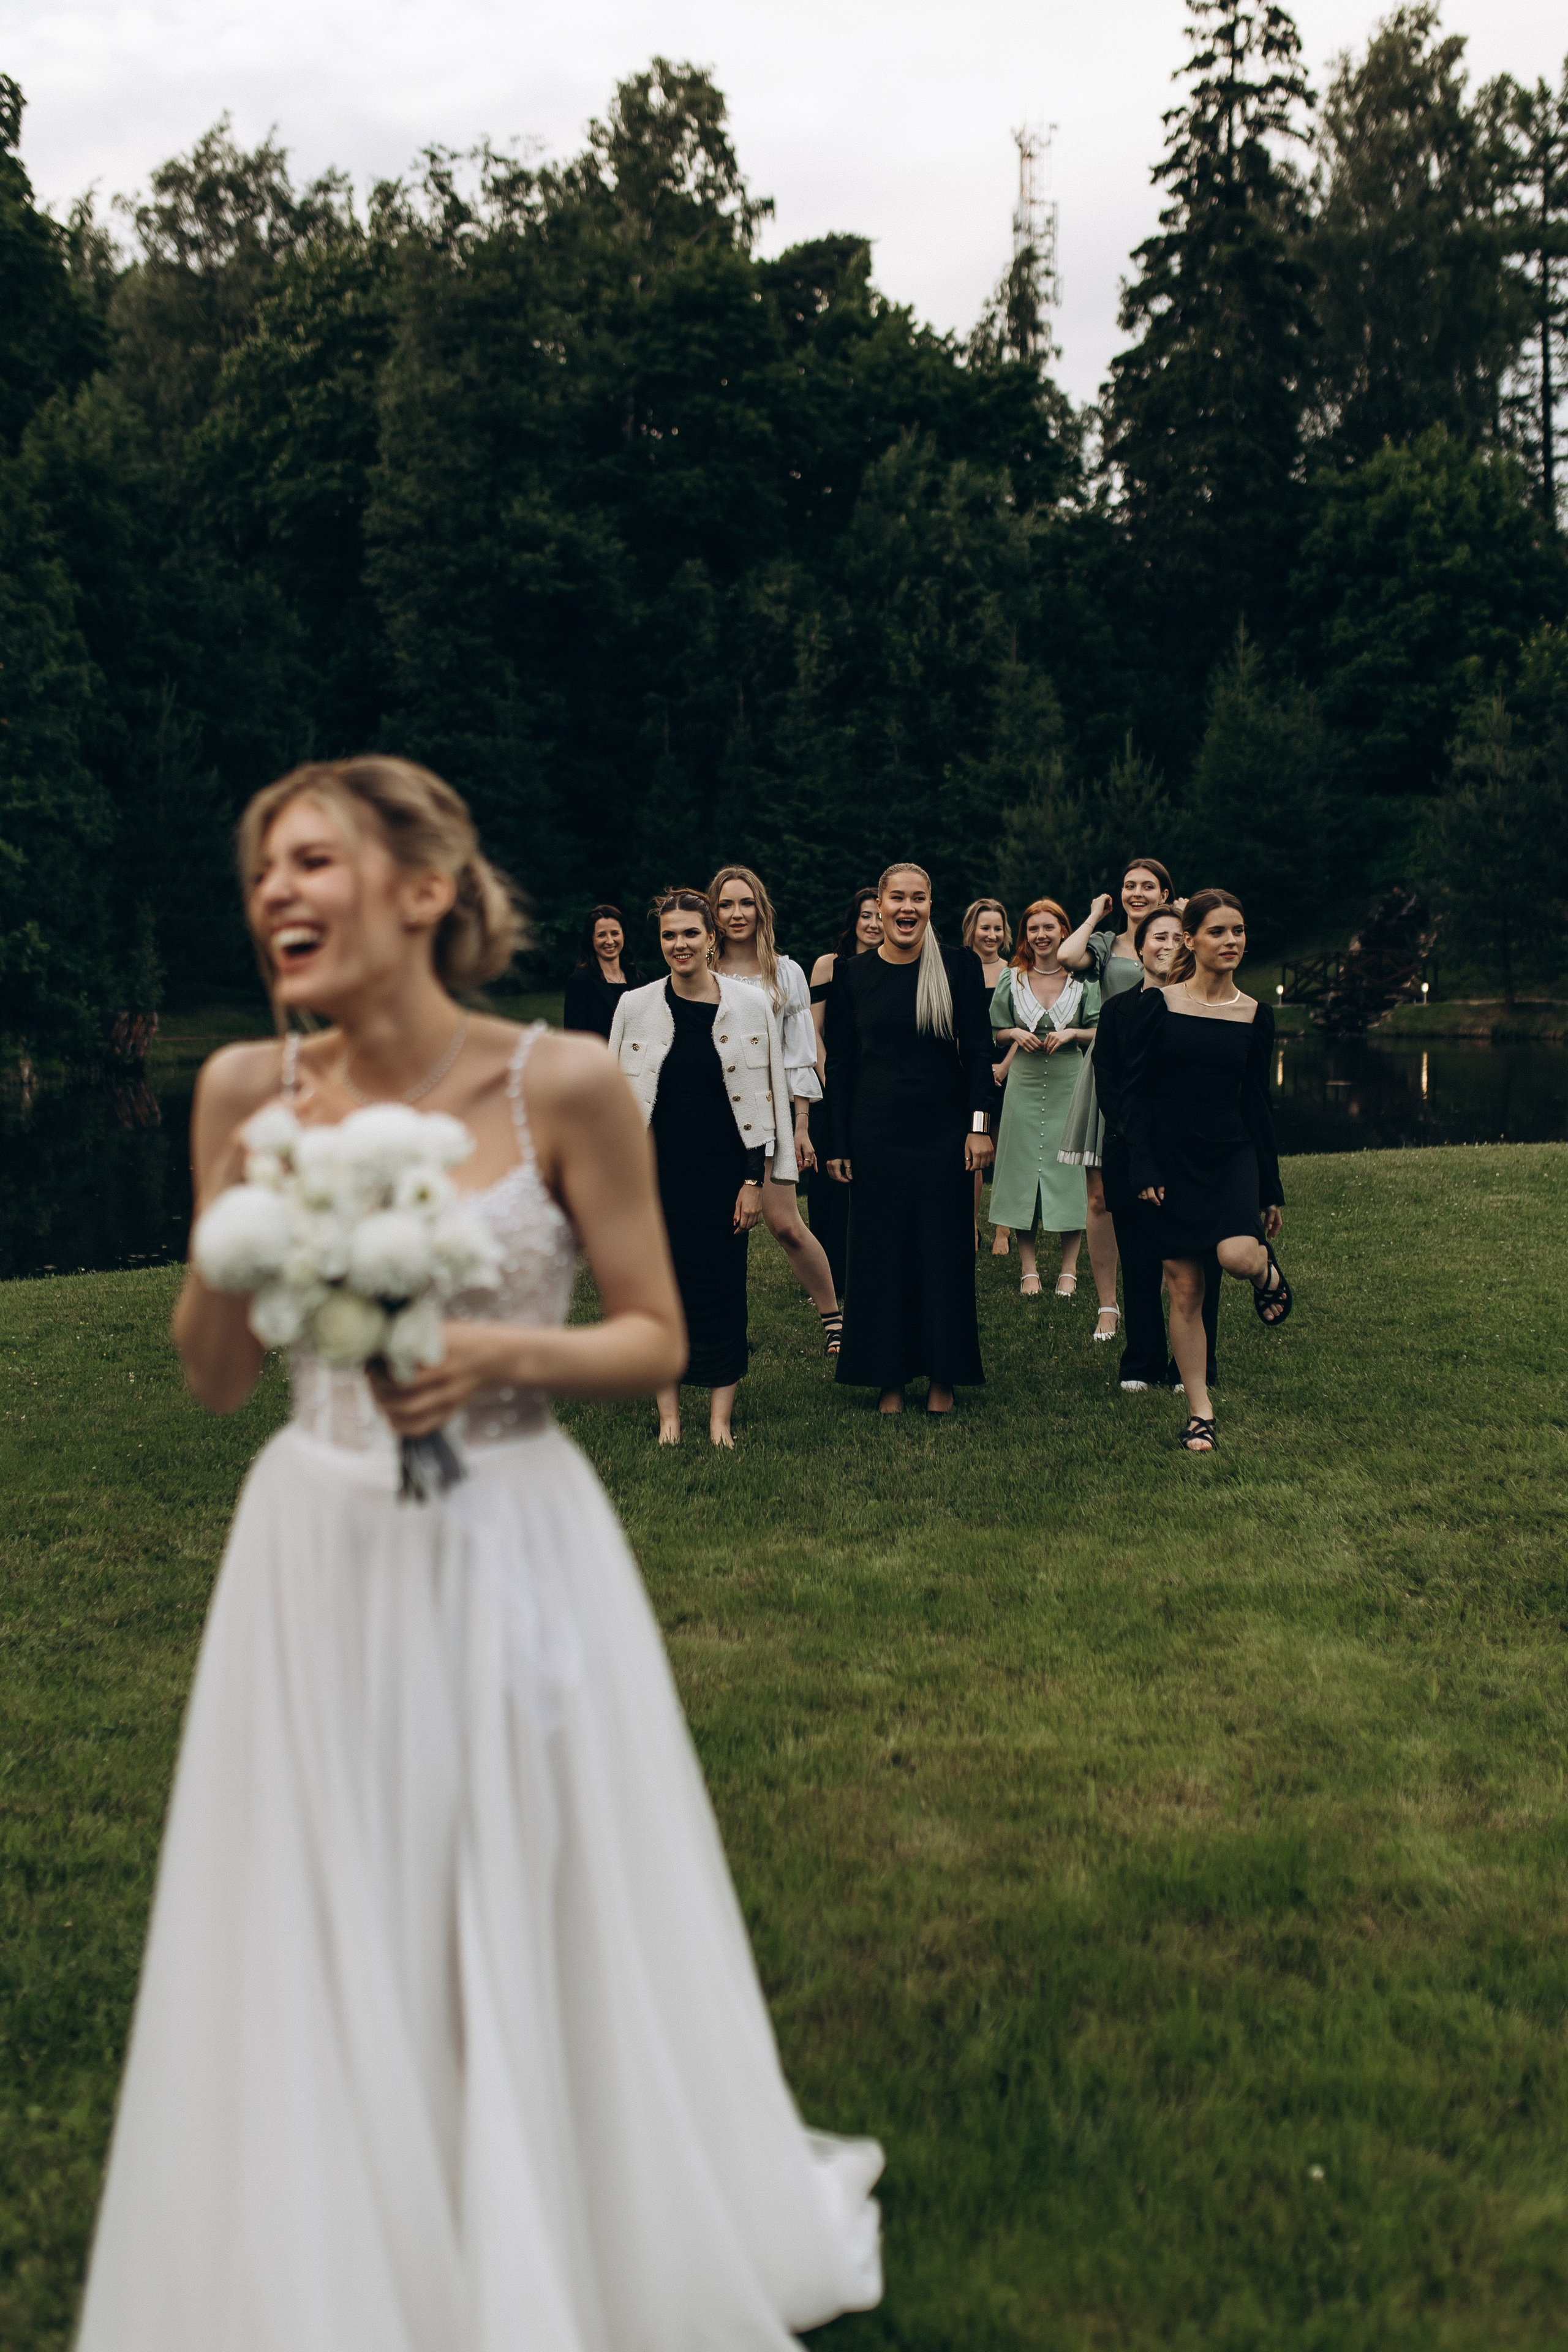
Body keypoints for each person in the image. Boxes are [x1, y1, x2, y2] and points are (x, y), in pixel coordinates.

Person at [77, 760, 883, 2350]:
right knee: (327, 1894)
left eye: (311, 862)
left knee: (511, 1873)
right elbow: (218, 1376)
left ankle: (544, 2227)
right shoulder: (244, 1088)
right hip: (312, 1545)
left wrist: (501, 1361)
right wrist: (232, 1220)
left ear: (426, 888)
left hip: (510, 1529)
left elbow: (655, 1339)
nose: (277, 898)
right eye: (262, 876)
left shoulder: (560, 1082)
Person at [611, 888, 796, 1447]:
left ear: (712, 938)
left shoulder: (749, 1005)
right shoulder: (634, 1006)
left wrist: (753, 1182)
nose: (680, 944)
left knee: (721, 1292)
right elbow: (615, 1103)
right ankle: (669, 1418)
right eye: (669, 935)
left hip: (724, 1178)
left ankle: (719, 1420)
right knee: (659, 1295)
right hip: (655, 1180)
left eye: (691, 933)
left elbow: (765, 1098)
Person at [1122, 888, 1294, 1453]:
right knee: (1185, 1286)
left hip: (1230, 1153)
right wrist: (1142, 1162)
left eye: (1238, 931)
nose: (1231, 941)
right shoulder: (1160, 1006)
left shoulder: (1255, 1015)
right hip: (1170, 1158)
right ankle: (1200, 1408)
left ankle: (1267, 1274)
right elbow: (1135, 1095)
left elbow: (1256, 1104)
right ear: (1190, 940)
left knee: (1236, 1255)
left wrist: (1270, 1187)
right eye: (1218, 932)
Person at [826, 863, 995, 1414]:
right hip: (876, 1135)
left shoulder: (960, 967)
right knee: (879, 1257)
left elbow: (978, 1056)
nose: (907, 909)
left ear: (929, 905)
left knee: (942, 1254)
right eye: (896, 899)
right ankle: (889, 1379)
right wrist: (839, 1143)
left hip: (944, 1136)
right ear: (877, 904)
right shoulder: (853, 974)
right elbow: (844, 1066)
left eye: (917, 899)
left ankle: (944, 1379)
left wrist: (978, 1129)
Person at [708, 864, 844, 1354]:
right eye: (726, 905)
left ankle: (834, 1319)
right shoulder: (700, 970)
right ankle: (720, 1331)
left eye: (745, 903)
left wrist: (802, 1124)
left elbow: (800, 1054)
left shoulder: (784, 972)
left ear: (760, 909)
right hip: (711, 1114)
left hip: (769, 1116)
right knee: (716, 1226)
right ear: (713, 912)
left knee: (784, 1223)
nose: (736, 913)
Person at [1091, 905, 1221, 1394]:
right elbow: (1111, 1087)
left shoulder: (1204, 1004)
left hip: (1192, 1153)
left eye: (1175, 937)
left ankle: (1199, 1365)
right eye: (1156, 937)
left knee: (1200, 1263)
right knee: (1141, 1261)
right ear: (1140, 949)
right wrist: (1136, 1142)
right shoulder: (1117, 1011)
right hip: (1130, 1148)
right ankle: (1142, 1361)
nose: (1166, 945)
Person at [1058, 857, 1178, 1343]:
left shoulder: (1176, 939)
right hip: (1108, 1072)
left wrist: (1184, 919)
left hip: (1165, 1074)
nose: (1136, 893)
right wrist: (1093, 916)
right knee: (1101, 1195)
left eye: (1148, 886)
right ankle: (1109, 1304)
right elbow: (1067, 958)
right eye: (1129, 885)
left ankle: (1175, 1291)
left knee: (1167, 1192)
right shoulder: (1108, 946)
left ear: (1165, 894)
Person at [986, 899, 1100, 1300]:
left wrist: (1072, 1034)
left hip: (1071, 1081)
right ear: (1025, 936)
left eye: (1049, 927)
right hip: (1025, 1082)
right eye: (1033, 928)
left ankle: (1069, 1270)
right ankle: (1029, 1268)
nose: (1041, 935)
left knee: (1069, 1175)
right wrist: (1016, 1034)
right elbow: (997, 1029)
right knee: (1021, 1174)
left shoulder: (1084, 980)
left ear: (1064, 931)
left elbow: (1100, 1030)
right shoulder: (1011, 980)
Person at [807, 885, 882, 1303]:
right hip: (829, 1085)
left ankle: (869, 1265)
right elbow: (813, 1030)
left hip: (876, 1087)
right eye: (865, 915)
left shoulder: (894, 964)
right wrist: (828, 1077)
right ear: (854, 920)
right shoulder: (827, 965)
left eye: (877, 915)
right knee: (829, 1187)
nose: (872, 924)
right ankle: (827, 1273)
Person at [960, 898, 1017, 1253]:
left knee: (1005, 1151)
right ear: (972, 930)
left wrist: (1006, 1065)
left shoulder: (1014, 972)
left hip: (1008, 1068)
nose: (992, 935)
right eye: (985, 927)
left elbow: (1026, 1024)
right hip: (969, 1070)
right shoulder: (959, 969)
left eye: (998, 928)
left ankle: (1002, 1232)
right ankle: (970, 1228)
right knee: (973, 1155)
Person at [562, 901, 641, 1039]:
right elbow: (574, 1039)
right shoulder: (579, 983)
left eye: (615, 933)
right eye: (602, 935)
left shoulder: (640, 979)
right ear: (591, 940)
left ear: (624, 936)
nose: (610, 941)